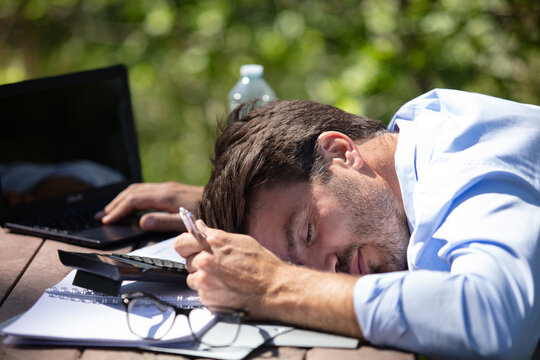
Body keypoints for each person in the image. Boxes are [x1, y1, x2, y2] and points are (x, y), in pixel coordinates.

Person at [100, 89, 540, 359]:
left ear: (340, 152)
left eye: (307, 232)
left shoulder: (465, 163)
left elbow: (497, 320)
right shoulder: (411, 145)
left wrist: (275, 285)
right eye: (301, 265)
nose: (326, 272)